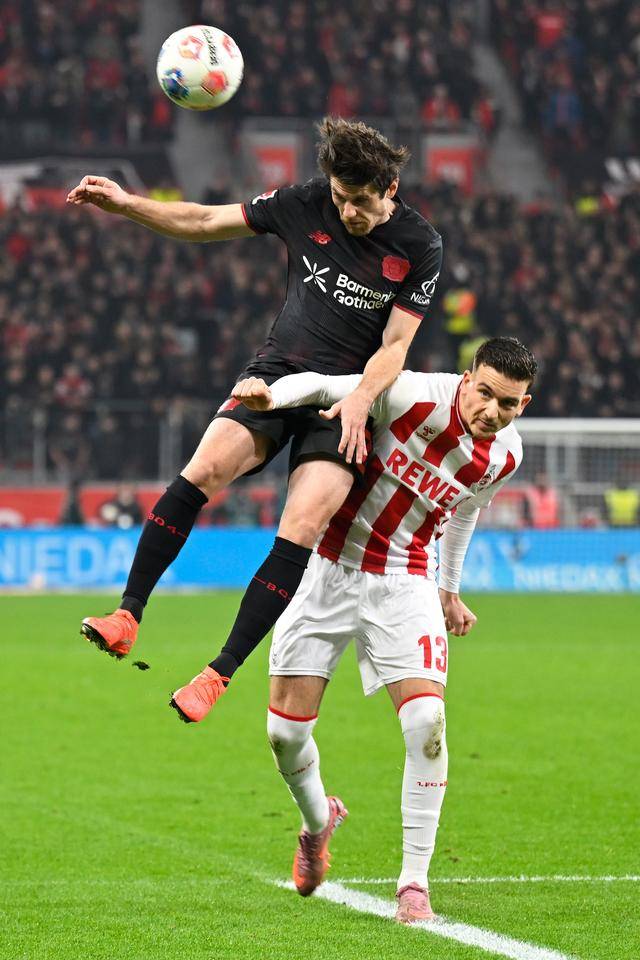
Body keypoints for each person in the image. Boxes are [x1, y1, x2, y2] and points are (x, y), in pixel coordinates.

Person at [67, 118, 443, 703]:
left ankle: (216, 675)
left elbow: (395, 346)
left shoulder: (419, 245)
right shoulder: (304, 202)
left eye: (362, 202)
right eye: (340, 197)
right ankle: (127, 615)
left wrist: (360, 401)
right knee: (203, 470)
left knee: (302, 525)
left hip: (344, 399)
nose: (348, 212)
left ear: (390, 187)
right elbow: (203, 222)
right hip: (275, 376)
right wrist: (126, 205)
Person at [195, 337, 534, 924]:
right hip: (327, 566)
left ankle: (414, 883)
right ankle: (318, 822)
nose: (492, 411)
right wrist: (269, 397)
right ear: (467, 378)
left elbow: (466, 510)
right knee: (284, 735)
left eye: (508, 404)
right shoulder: (411, 394)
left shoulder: (506, 454)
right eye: (485, 393)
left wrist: (449, 589)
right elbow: (326, 387)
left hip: (405, 580)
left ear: (522, 405)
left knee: (427, 722)